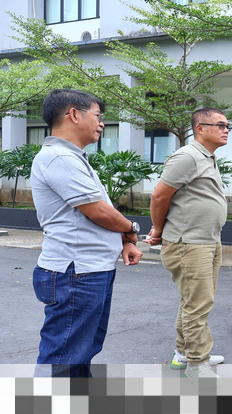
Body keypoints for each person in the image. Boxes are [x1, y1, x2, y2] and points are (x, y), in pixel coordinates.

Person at [30, 89, 143, 377]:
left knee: (79, 353)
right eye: (97, 115)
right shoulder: (59, 157)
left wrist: (124, 240)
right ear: (74, 115)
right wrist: (132, 229)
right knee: (63, 357)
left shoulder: (73, 157)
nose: (101, 123)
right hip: (75, 272)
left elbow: (98, 211)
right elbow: (99, 212)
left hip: (85, 270)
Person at [145, 108, 229, 378]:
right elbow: (159, 197)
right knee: (198, 303)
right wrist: (159, 230)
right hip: (189, 243)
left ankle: (183, 353)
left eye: (227, 126)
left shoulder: (207, 157)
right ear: (200, 128)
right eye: (220, 125)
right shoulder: (187, 156)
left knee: (193, 300)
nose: (226, 130)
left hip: (206, 240)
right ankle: (196, 363)